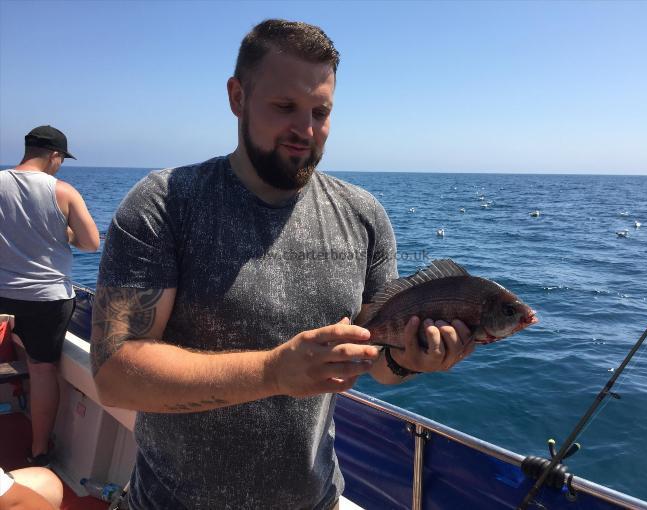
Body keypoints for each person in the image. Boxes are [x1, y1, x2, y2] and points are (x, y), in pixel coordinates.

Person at [90, 19, 475, 510]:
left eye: (321, 111)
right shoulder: (165, 204)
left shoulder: (363, 216)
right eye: (285, 107)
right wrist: (272, 371)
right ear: (237, 97)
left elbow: (378, 361)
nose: (306, 129)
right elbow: (114, 373)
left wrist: (408, 359)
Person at [0, 126, 100, 466]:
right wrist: (66, 232)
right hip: (48, 299)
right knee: (43, 371)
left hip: (2, 295)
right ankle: (39, 451)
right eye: (60, 160)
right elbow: (91, 244)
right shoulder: (63, 192)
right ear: (54, 155)